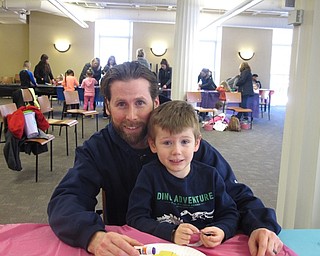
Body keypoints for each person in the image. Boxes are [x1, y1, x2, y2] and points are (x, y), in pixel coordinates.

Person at [47, 61, 283, 256]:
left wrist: (260, 226)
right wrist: (93, 236)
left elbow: (235, 194)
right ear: (106, 106)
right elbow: (67, 200)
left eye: (140, 103)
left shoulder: (188, 146)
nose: (132, 116)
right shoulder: (98, 149)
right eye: (121, 104)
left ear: (155, 102)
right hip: (131, 249)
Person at [127, 100, 239, 247]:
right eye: (167, 143)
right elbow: (136, 218)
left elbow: (230, 213)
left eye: (185, 142)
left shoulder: (210, 176)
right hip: (165, 248)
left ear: (196, 143)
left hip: (206, 249)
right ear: (153, 145)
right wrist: (171, 232)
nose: (176, 151)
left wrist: (222, 230)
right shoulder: (149, 175)